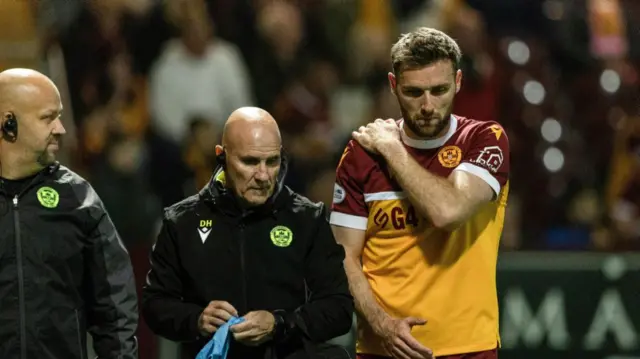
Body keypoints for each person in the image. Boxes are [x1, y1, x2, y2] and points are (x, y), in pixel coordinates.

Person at [330, 27, 510, 359]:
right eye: (414, 93)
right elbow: (343, 257)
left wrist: (393, 149)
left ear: (457, 82)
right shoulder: (360, 155)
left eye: (439, 90)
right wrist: (382, 325)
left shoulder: (484, 139)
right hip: (382, 348)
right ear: (393, 85)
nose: (428, 105)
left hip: (469, 348)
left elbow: (448, 212)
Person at [142, 107, 354, 359]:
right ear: (222, 157)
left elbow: (339, 308)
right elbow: (155, 304)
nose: (263, 175)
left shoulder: (307, 219)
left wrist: (279, 324)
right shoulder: (182, 221)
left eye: (272, 161)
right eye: (250, 161)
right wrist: (196, 319)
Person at [0, 68, 138, 358]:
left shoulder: (78, 198)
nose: (61, 128)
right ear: (8, 122)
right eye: (48, 117)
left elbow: (115, 306)